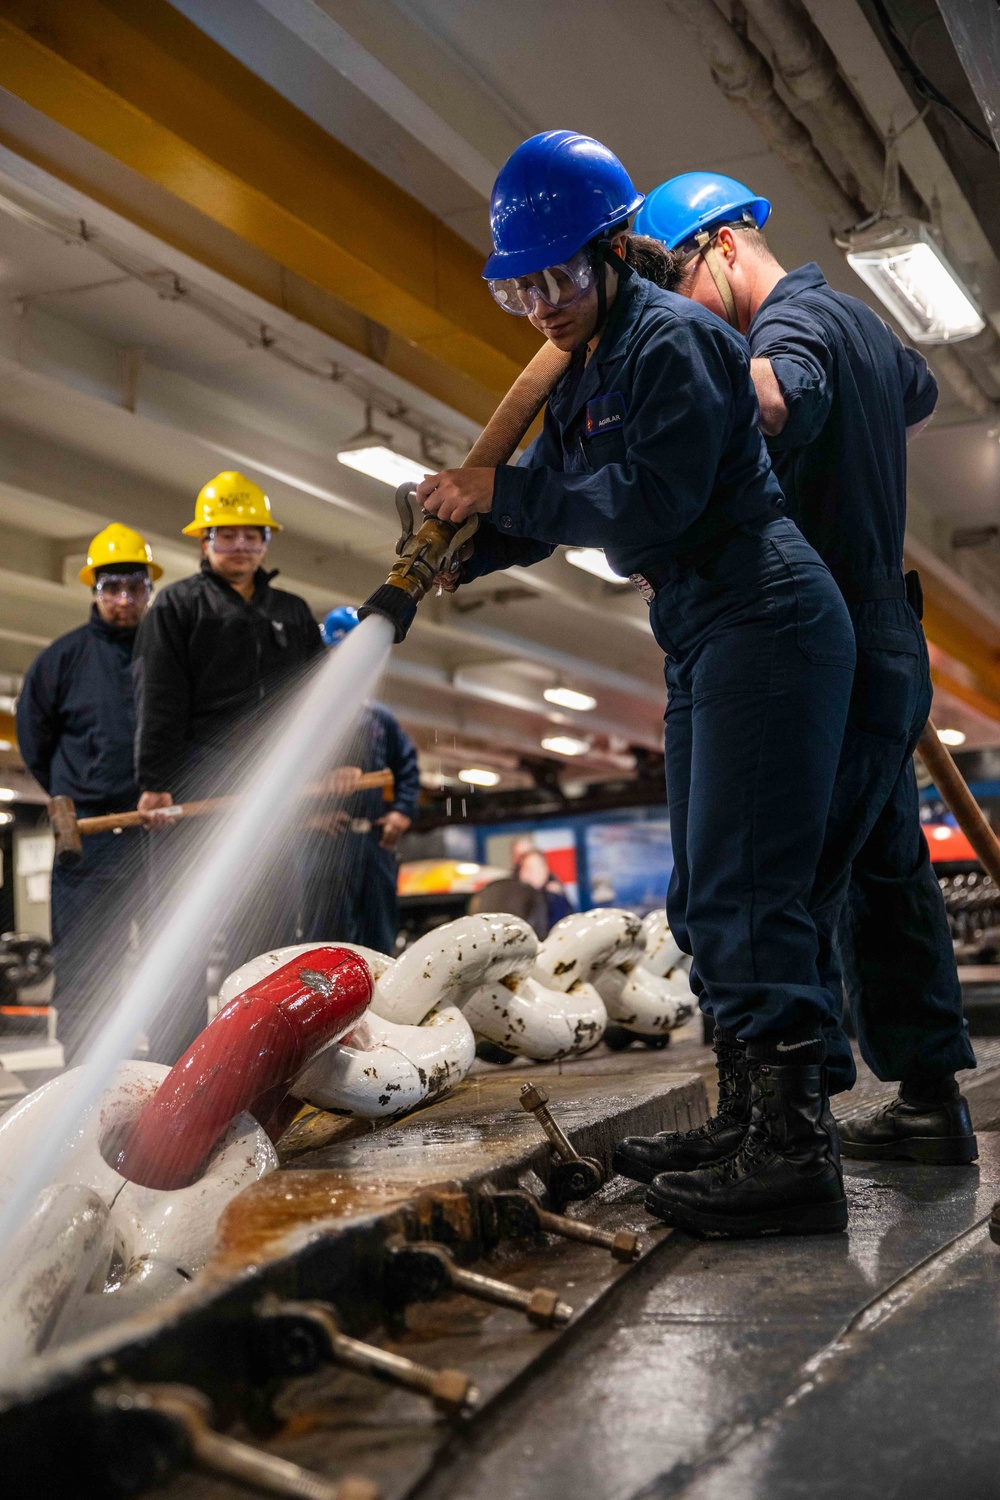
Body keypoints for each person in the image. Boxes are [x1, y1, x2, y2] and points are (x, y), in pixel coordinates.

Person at [417, 130, 857, 1238]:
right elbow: (565, 489)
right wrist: (461, 539)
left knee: (750, 888)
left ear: (616, 251)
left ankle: (794, 1153)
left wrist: (500, 492)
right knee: (707, 893)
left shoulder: (671, 341)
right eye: (522, 288)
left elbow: (640, 507)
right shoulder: (587, 359)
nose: (542, 308)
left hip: (762, 607)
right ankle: (747, 1114)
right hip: (704, 621)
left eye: (560, 277)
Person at [624, 172, 977, 1171]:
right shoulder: (863, 330)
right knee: (884, 875)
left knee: (770, 879)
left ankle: (785, 1124)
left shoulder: (798, 327)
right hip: (879, 636)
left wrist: (663, 386)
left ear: (725, 245)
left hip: (811, 641)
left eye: (679, 284)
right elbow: (919, 390)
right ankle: (926, 1098)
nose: (681, 316)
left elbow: (778, 395)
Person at [132, 472, 323, 1054]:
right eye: (226, 534)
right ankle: (174, 1062)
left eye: (251, 534)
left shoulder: (290, 611)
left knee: (267, 925)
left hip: (271, 796)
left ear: (266, 541)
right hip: (200, 789)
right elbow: (160, 696)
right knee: (184, 930)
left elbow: (316, 700)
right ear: (204, 540)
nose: (239, 545)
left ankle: (258, 1051)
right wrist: (156, 784)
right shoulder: (177, 605)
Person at [16, 524, 161, 1058]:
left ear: (149, 592)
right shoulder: (61, 660)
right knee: (84, 962)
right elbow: (35, 739)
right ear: (94, 591)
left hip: (157, 833)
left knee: (170, 955)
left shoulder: (167, 656)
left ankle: (171, 1069)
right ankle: (82, 1072)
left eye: (135, 589)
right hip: (91, 841)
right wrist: (74, 792)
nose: (124, 601)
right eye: (112, 589)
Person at [295, 607, 420, 954]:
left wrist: (401, 812)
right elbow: (285, 782)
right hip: (324, 846)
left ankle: (377, 1007)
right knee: (326, 942)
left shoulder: (378, 718)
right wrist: (307, 817)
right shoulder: (305, 718)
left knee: (378, 938)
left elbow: (406, 767)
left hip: (374, 844)